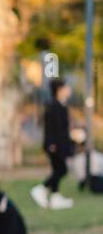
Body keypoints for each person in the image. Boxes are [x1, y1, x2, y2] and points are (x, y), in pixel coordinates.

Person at [31, 79, 74, 209]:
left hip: (60, 144)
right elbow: (50, 128)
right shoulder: (54, 107)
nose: (69, 90)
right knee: (62, 170)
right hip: (55, 146)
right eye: (67, 87)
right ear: (60, 90)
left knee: (58, 170)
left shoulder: (61, 106)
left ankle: (55, 197)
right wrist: (51, 144)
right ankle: (40, 188)